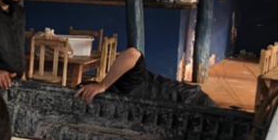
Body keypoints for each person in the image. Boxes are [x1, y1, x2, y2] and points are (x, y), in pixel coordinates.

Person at [77, 46, 213, 106]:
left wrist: (103, 85)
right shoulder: (121, 96)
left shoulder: (127, 82)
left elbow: (133, 53)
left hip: (192, 99)